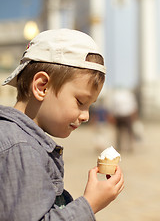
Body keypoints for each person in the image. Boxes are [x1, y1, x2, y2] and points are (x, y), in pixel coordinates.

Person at [0, 29, 124, 221]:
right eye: (80, 102)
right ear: (42, 87)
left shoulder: (20, 140)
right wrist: (90, 204)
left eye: (90, 106)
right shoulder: (21, 149)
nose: (86, 116)